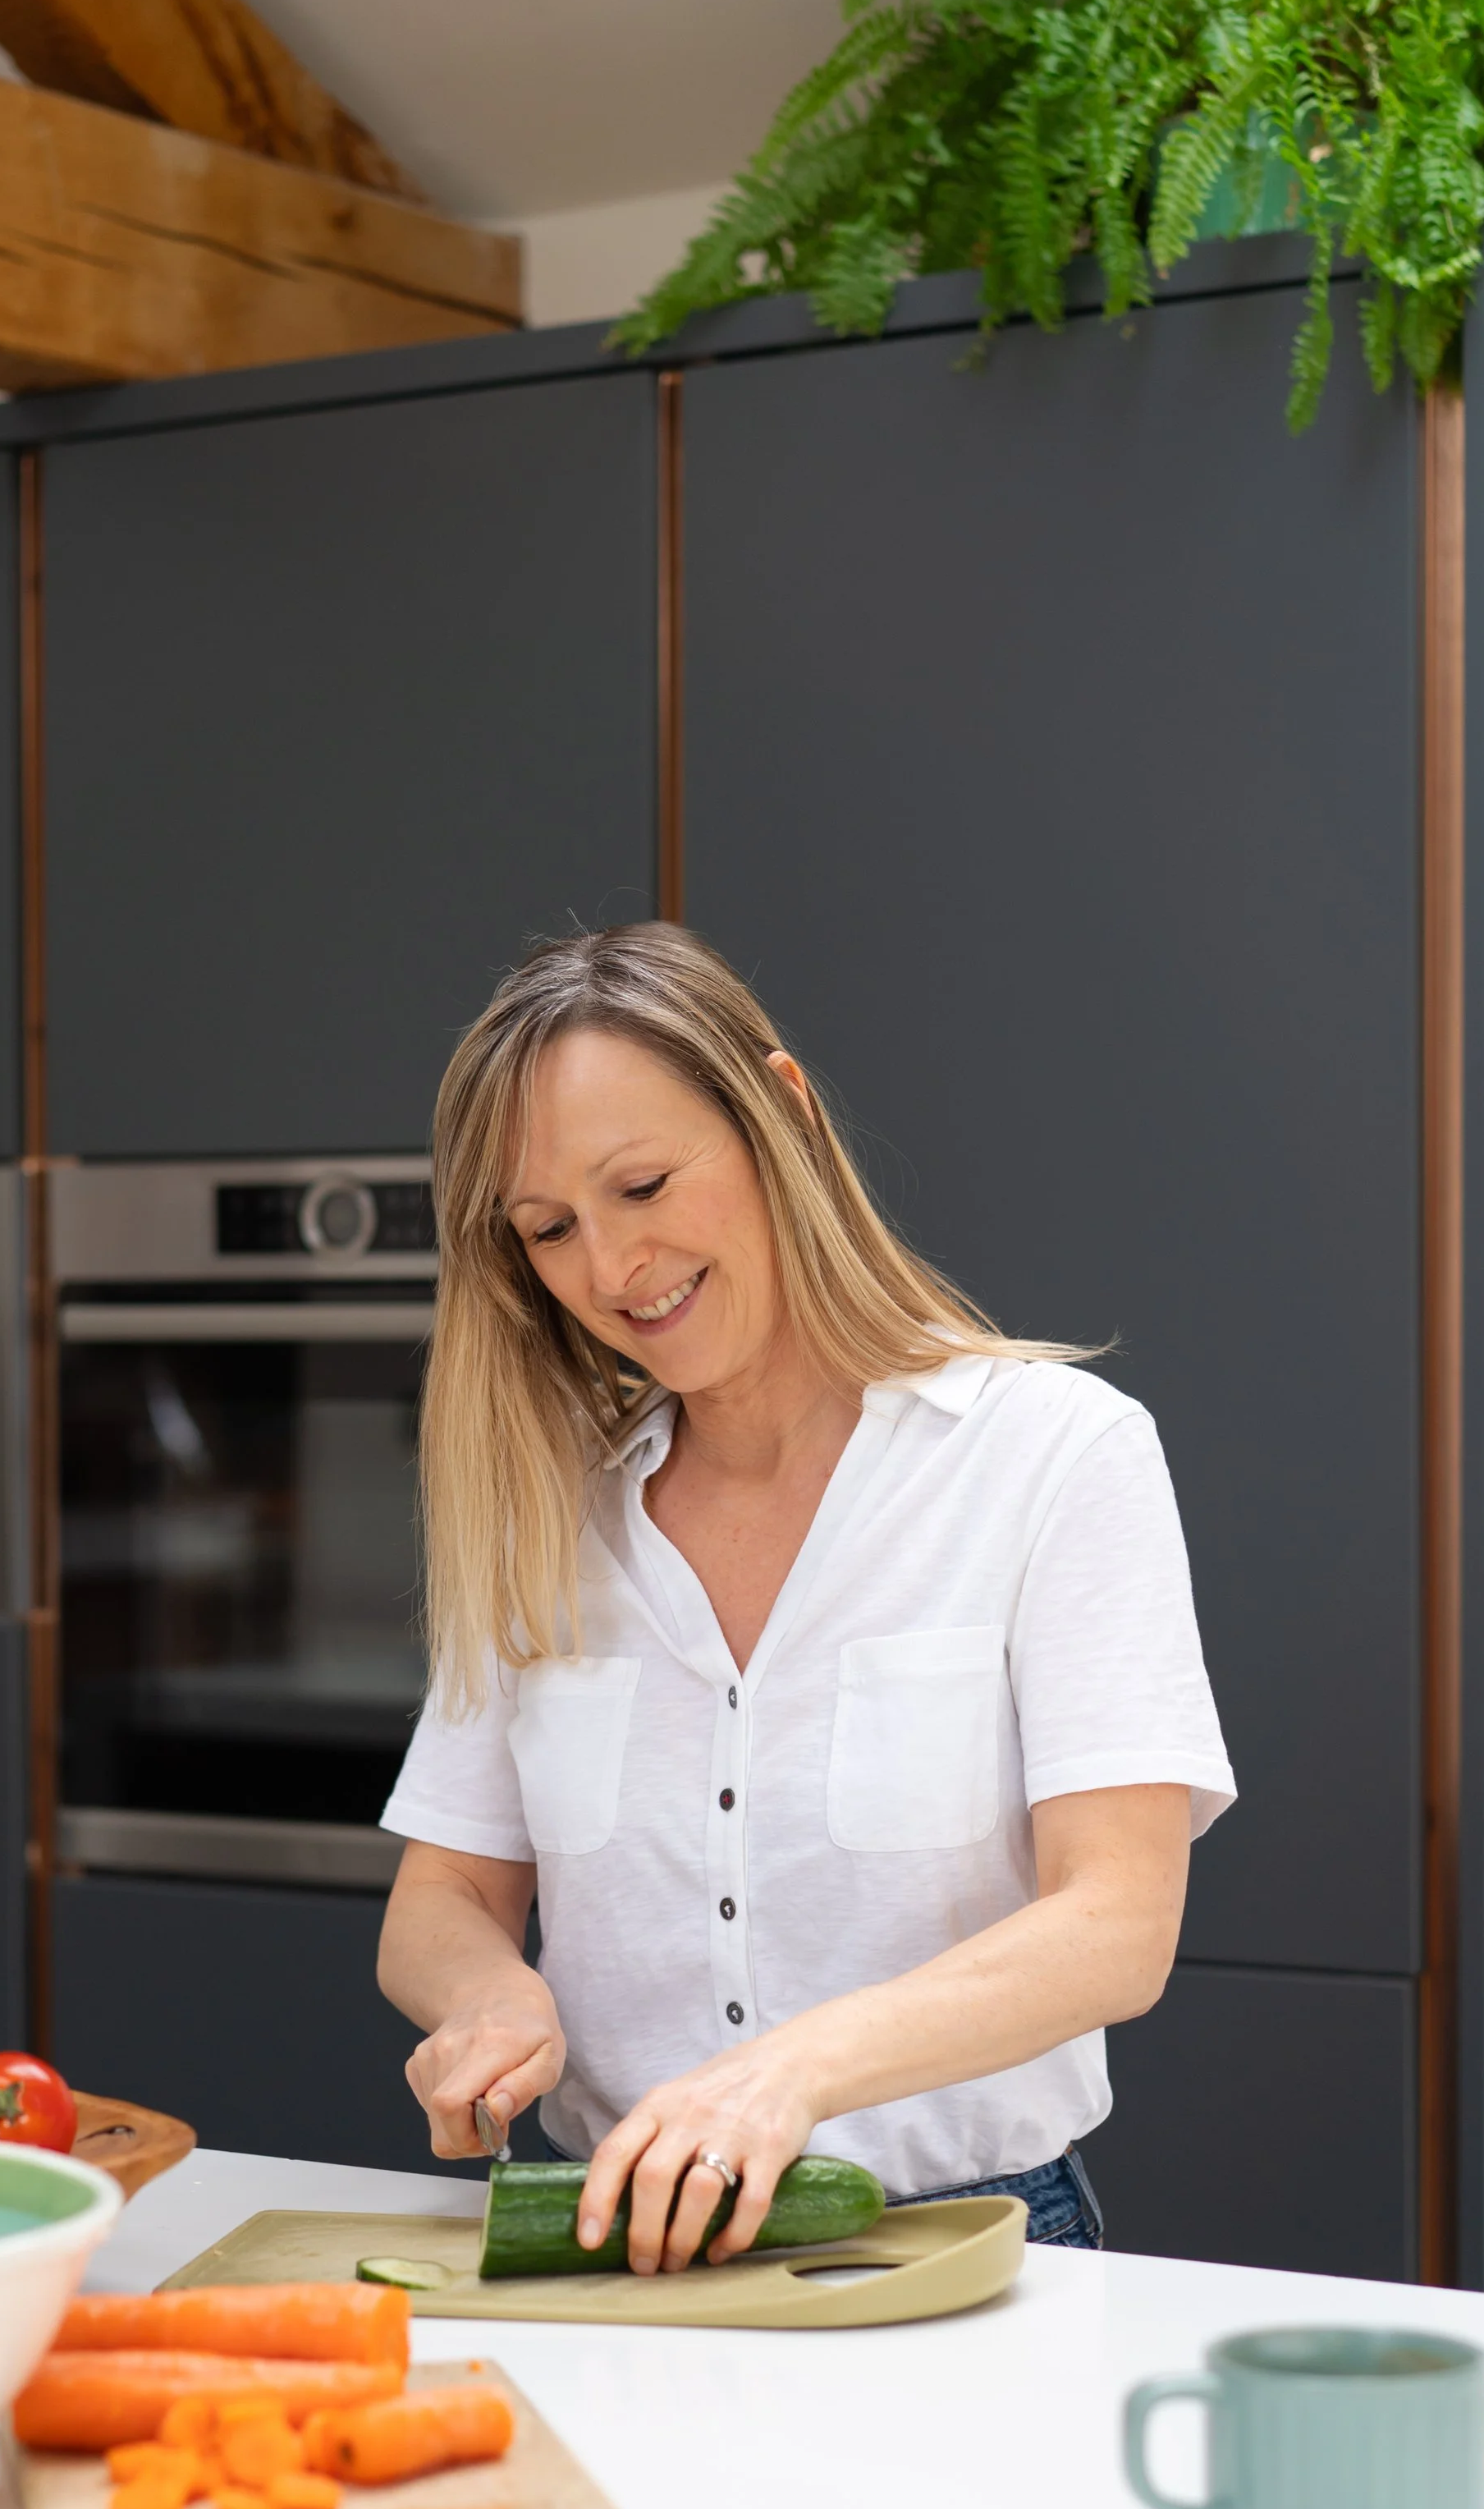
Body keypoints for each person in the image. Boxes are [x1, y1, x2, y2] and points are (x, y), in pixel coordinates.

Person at [376, 922, 1234, 2272]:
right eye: (550, 1229)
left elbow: (1118, 1922)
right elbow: (444, 1892)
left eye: (645, 1183)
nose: (611, 1267)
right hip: (614, 2238)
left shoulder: (1053, 1453)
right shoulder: (550, 1509)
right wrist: (489, 1997)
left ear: (779, 1109)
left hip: (961, 2239)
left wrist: (788, 2076)